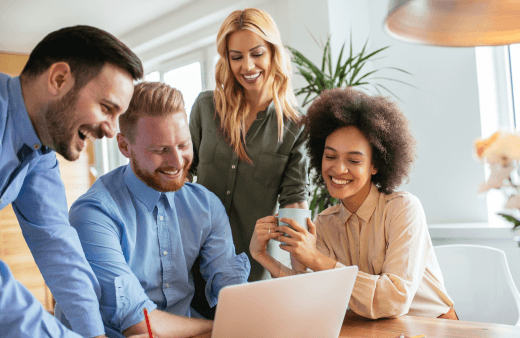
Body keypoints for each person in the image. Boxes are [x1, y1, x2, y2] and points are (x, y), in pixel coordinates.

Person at [59, 82, 250, 338]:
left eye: (183, 145)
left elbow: (233, 291)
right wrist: (220, 329)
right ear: (125, 147)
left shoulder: (205, 205)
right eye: (160, 150)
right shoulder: (93, 214)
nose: (176, 162)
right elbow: (139, 325)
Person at [250, 87, 457, 320]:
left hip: (434, 328)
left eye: (354, 160)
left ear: (375, 165)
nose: (338, 169)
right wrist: (262, 256)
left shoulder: (403, 209)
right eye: (330, 156)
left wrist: (316, 259)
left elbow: (394, 300)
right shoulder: (325, 224)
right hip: (374, 332)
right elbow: (313, 293)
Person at [0, 25, 143, 337]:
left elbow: (56, 243)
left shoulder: (39, 152)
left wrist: (94, 334)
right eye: (106, 108)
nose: (109, 131)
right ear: (59, 79)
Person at [189, 8, 309, 283]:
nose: (248, 66)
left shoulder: (294, 126)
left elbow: (294, 205)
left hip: (252, 271)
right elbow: (182, 176)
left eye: (257, 54)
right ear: (226, 60)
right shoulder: (207, 108)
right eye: (236, 57)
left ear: (273, 53)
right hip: (194, 263)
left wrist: (300, 281)